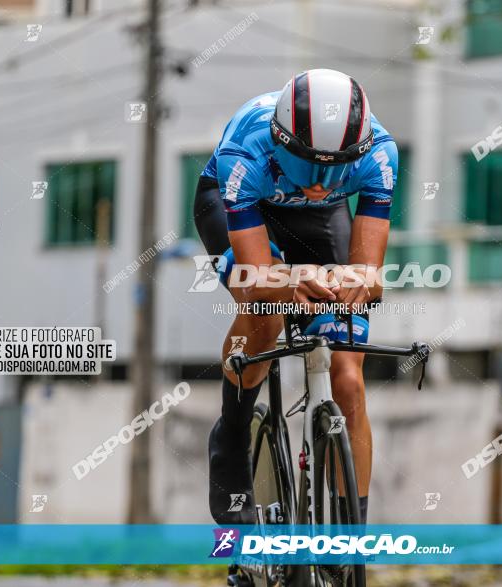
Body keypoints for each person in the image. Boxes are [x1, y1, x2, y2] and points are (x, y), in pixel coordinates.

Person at [192, 69, 398, 524]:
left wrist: (358, 282)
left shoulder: (380, 153)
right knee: (265, 311)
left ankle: (350, 541)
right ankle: (231, 435)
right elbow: (254, 279)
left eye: (335, 166)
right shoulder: (245, 151)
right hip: (241, 206)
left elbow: (371, 275)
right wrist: (288, 282)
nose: (321, 181)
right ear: (282, 140)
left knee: (347, 371)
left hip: (320, 220)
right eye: (309, 163)